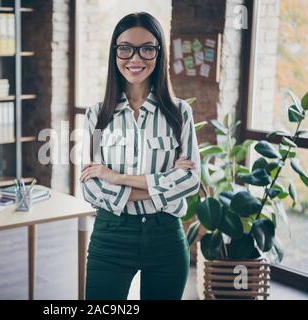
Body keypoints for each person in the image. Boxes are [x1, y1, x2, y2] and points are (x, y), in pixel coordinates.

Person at [80, 12, 200, 300]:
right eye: (125, 48)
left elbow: (191, 180)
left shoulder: (180, 113)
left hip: (166, 237)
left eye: (147, 48)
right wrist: (160, 186)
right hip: (111, 235)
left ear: (158, 53)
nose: (135, 58)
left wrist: (117, 177)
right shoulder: (97, 115)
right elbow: (90, 186)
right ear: (115, 53)